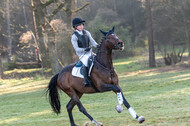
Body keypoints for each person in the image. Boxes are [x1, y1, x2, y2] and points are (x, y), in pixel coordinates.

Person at [71, 17, 99, 87]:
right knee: (86, 63)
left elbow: (93, 42)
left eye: (82, 25)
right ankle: (86, 80)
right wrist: (84, 49)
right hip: (82, 55)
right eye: (79, 25)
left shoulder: (87, 32)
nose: (81, 26)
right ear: (75, 26)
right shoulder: (74, 36)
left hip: (90, 53)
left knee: (99, 59)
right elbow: (76, 49)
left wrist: (98, 45)